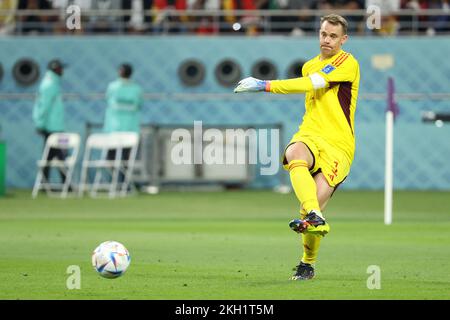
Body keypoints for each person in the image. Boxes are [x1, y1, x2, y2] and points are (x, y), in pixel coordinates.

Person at [234, 14, 360, 281]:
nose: (326, 39)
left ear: (343, 39)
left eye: (333, 36)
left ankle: (307, 262)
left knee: (307, 214)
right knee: (294, 153)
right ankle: (315, 215)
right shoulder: (309, 65)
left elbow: (313, 83)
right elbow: (309, 83)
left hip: (338, 144)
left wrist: (265, 85)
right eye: (323, 34)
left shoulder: (347, 62)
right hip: (310, 133)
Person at [103, 63, 143, 184]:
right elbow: (139, 105)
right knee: (126, 159)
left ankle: (114, 182)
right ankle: (123, 184)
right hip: (130, 129)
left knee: (112, 158)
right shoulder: (137, 89)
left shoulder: (112, 87)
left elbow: (108, 100)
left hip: (113, 129)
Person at [32, 59, 68, 185]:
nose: (63, 71)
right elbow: (43, 106)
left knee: (51, 156)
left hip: (54, 126)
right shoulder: (49, 85)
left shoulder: (53, 83)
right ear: (56, 69)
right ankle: (64, 184)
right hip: (52, 127)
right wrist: (40, 124)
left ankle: (45, 183)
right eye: (61, 68)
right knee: (60, 155)